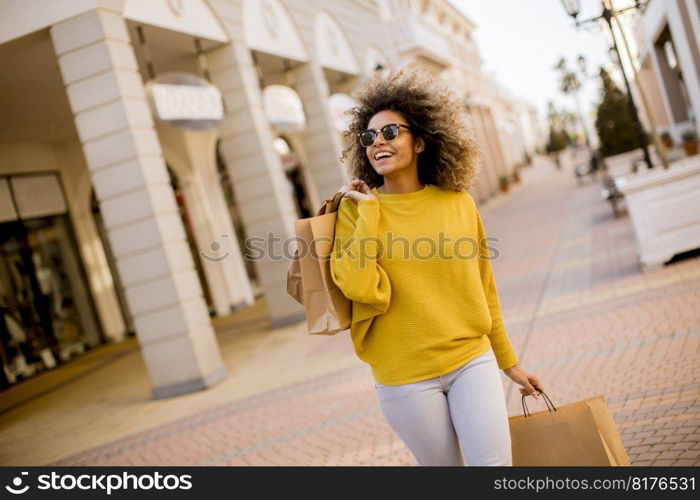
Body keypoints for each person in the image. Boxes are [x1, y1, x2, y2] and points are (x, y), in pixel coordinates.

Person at [330, 67, 544, 466]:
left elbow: (483, 288)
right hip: (404, 377)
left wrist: (509, 363)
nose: (378, 142)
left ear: (422, 142)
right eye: (369, 136)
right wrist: (371, 215)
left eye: (390, 132)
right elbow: (359, 287)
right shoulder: (355, 212)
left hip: (471, 361)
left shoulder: (458, 203)